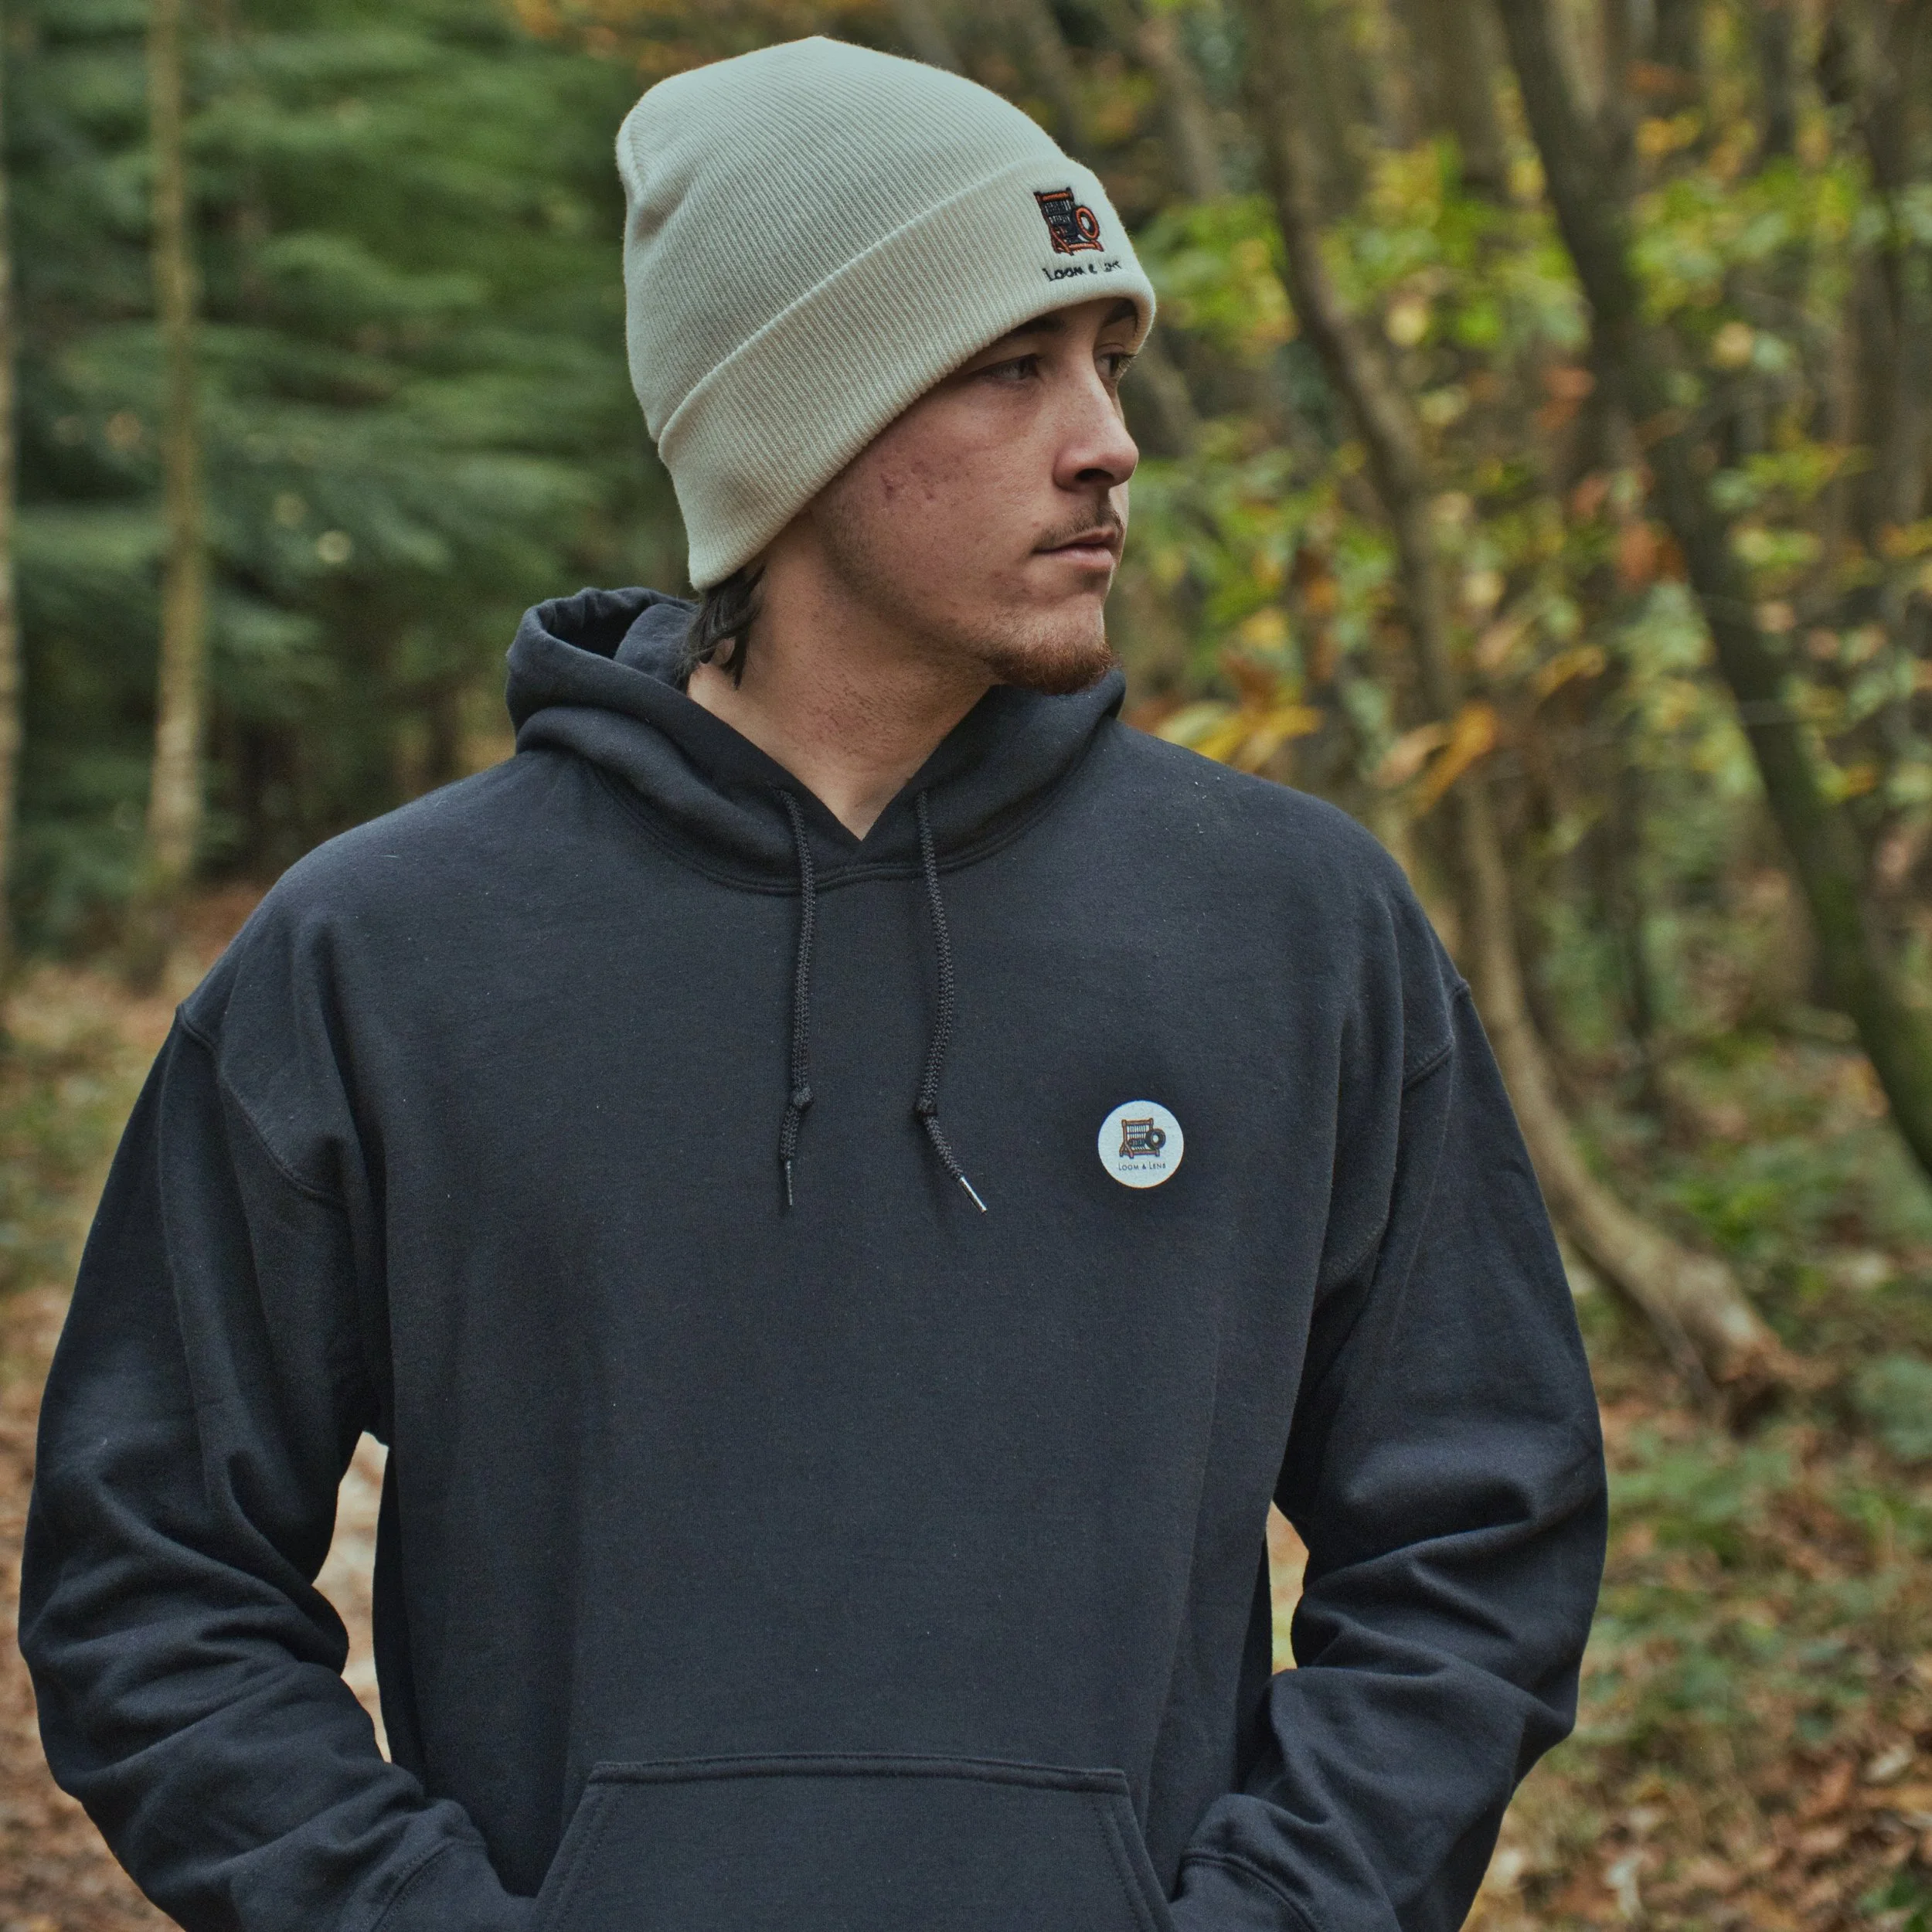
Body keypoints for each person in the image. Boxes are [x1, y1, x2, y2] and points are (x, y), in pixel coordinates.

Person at [21, 36, 1607, 1932]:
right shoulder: (386, 956)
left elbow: (1474, 1531)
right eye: (1011, 367)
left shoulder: (1294, 929)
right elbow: (152, 1584)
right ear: (791, 420)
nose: (1106, 440)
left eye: (1108, 366)